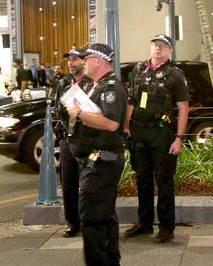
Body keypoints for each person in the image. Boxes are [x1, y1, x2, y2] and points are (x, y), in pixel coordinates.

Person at [123, 34, 189, 244]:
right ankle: (144, 223)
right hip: (138, 132)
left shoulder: (175, 75)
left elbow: (183, 107)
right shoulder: (138, 69)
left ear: (170, 51)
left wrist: (178, 138)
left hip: (162, 133)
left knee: (164, 180)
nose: (158, 49)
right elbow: (131, 100)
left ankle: (166, 227)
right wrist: (126, 126)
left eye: (163, 46)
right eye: (155, 45)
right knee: (142, 179)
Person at [65, 43, 127, 265]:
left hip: (102, 161)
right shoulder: (96, 85)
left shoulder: (111, 87)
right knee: (104, 216)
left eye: (87, 57)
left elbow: (111, 123)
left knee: (92, 218)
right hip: (95, 159)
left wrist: (79, 113)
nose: (83, 61)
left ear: (99, 61)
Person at [54, 48, 92, 238]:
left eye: (75, 59)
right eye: (69, 59)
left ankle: (89, 222)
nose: (71, 62)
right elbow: (57, 110)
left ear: (85, 62)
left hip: (86, 140)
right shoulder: (62, 83)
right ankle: (72, 222)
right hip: (67, 140)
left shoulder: (92, 83)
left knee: (89, 183)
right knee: (68, 183)